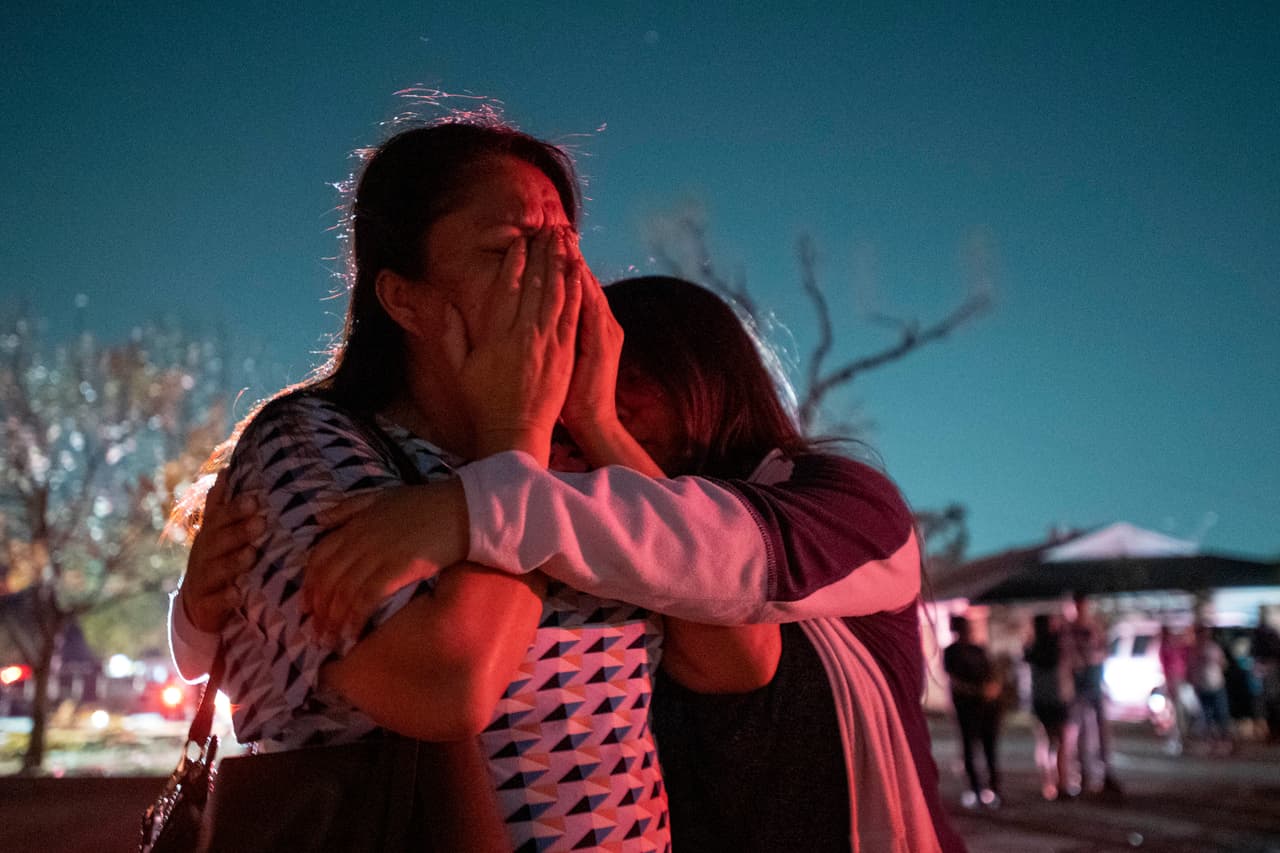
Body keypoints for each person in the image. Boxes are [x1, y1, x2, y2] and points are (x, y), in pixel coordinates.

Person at [176, 274, 963, 851]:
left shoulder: (836, 498)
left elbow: (728, 571)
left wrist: (474, 506)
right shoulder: (589, 516)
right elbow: (362, 622)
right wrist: (201, 612)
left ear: (702, 371)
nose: (591, 397)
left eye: (620, 375)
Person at [168, 119, 695, 851]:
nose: (553, 281)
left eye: (562, 248)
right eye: (508, 250)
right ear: (406, 299)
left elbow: (739, 648)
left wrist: (598, 423)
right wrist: (514, 439)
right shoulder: (309, 444)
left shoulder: (573, 452)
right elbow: (448, 685)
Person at [1064, 593, 1122, 796]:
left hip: (1094, 682)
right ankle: (1084, 775)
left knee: (1102, 731)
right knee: (1080, 732)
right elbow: (1068, 654)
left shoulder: (1094, 627)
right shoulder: (1069, 629)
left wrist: (1094, 659)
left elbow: (1103, 650)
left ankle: (1106, 773)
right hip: (1079, 685)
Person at [942, 615, 1001, 808]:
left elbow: (992, 672)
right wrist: (975, 691)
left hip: (986, 706)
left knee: (989, 747)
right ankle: (975, 789)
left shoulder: (978, 649)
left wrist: (991, 689)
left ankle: (994, 788)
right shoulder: (951, 652)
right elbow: (953, 680)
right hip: (966, 706)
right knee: (969, 747)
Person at [1025, 613, 1077, 800]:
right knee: (1061, 742)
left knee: (1046, 742)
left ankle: (1048, 783)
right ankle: (1062, 782)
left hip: (1040, 700)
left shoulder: (1032, 648)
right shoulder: (1057, 647)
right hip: (1058, 698)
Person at [1188, 623, 1232, 753]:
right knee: (1206, 716)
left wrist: (1215, 663)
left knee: (1221, 714)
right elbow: (1190, 668)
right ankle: (1210, 742)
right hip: (1202, 686)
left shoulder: (1213, 648)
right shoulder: (1194, 649)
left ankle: (1225, 742)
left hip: (1216, 685)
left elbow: (1224, 664)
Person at [1157, 623, 1190, 754]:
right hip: (1176, 680)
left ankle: (1179, 740)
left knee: (1177, 713)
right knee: (1177, 712)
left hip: (1175, 680)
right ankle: (1179, 740)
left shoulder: (1169, 648)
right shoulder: (1172, 647)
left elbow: (1168, 667)